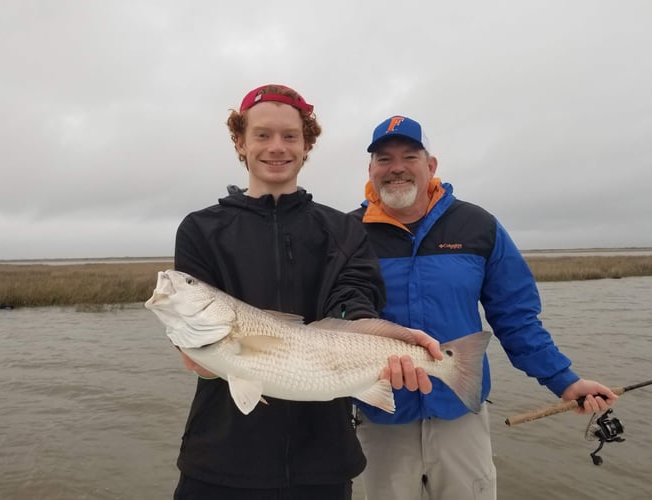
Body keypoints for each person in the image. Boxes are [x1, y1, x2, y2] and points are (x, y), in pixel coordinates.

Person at [170, 86, 439, 500]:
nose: (276, 147)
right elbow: (195, 337)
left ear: (307, 144)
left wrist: (378, 340)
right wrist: (195, 352)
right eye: (262, 135)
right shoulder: (201, 229)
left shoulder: (344, 229)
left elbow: (353, 298)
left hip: (323, 462)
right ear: (240, 142)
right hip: (219, 458)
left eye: (290, 136)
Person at [351, 115, 619, 500]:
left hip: (461, 410)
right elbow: (332, 317)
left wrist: (565, 380)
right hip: (381, 413)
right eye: (384, 159)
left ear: (431, 166)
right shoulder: (348, 233)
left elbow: (516, 318)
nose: (396, 168)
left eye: (409, 156)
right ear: (371, 169)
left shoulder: (478, 226)